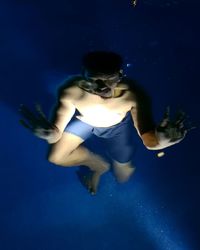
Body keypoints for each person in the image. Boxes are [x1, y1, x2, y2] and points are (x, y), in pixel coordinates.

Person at [19, 51, 189, 195]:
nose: (101, 87)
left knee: (123, 176)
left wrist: (162, 142)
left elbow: (149, 141)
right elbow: (56, 133)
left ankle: (107, 166)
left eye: (109, 79)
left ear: (120, 75)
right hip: (85, 122)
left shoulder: (133, 95)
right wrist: (49, 134)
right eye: (94, 80)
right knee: (55, 157)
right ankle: (98, 165)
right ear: (84, 76)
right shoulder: (72, 91)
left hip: (116, 129)